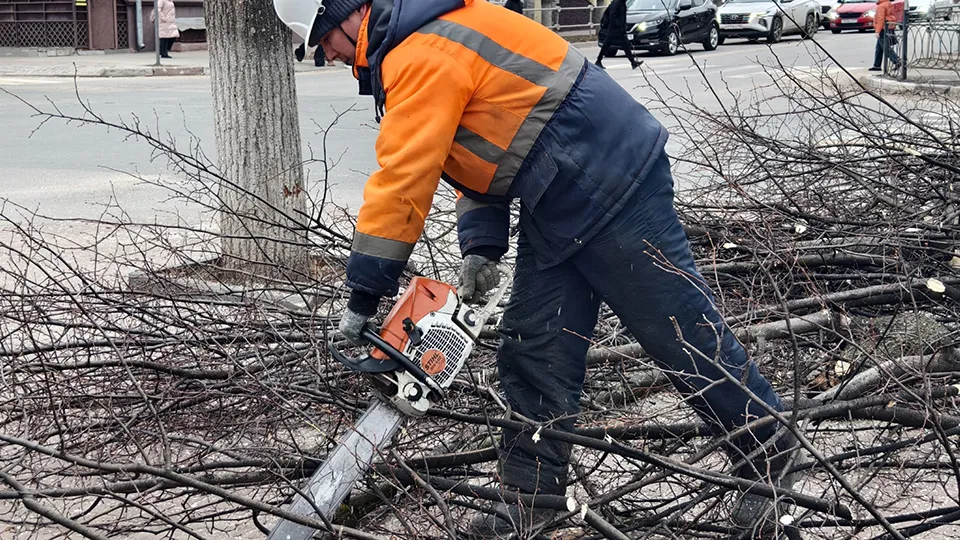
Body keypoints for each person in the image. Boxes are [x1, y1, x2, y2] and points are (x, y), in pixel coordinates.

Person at [272, 0, 796, 536]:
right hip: (561, 187)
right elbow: (483, 146)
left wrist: (362, 295)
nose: (327, 55)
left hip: (604, 176)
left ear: (347, 14)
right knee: (536, 345)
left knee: (675, 329)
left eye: (322, 41)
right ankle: (532, 498)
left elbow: (403, 181)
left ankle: (769, 457)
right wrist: (481, 245)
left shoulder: (420, 52)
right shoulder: (424, 37)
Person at [596, 0, 642, 70]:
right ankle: (598, 61)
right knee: (607, 44)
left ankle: (633, 62)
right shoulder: (617, 3)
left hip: (619, 29)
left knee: (625, 45)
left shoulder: (621, 3)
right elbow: (613, 15)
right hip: (614, 29)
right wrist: (619, 25)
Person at [870, 0, 901, 71]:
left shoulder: (881, 6)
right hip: (888, 27)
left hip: (883, 29)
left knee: (885, 47)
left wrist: (877, 31)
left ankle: (897, 60)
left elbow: (880, 19)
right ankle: (877, 65)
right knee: (879, 48)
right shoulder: (888, 4)